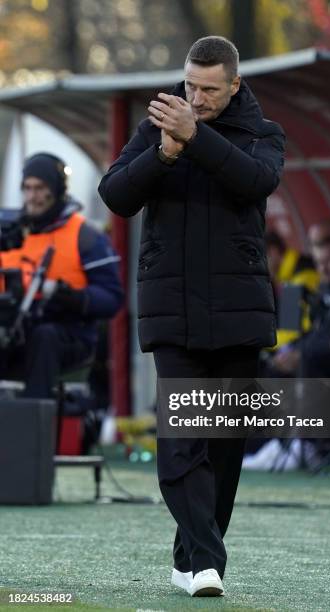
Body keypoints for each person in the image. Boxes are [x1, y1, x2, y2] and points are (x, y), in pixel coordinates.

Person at [99, 36, 285, 597]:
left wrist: (194, 137)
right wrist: (163, 153)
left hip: (238, 310)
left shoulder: (263, 133)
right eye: (189, 86)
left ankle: (190, 562)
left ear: (234, 86)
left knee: (224, 445)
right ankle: (207, 562)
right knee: (183, 437)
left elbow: (255, 182)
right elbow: (115, 195)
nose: (195, 98)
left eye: (208, 90)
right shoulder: (155, 129)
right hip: (172, 308)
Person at [0, 152, 123, 399]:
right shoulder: (9, 233)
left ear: (56, 190)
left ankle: (35, 422)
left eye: (40, 188)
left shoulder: (86, 237)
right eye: (27, 188)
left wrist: (68, 295)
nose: (32, 196)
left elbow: (111, 298)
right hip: (12, 328)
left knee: (45, 337)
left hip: (67, 332)